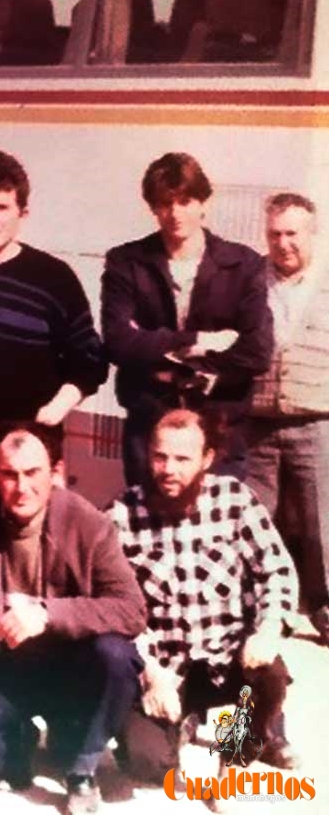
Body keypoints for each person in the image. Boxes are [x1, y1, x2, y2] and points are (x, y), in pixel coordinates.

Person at [0, 422, 146, 814]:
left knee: (118, 656)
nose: (21, 487)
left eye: (33, 473)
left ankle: (82, 768)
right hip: (2, 669)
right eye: (9, 474)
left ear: (55, 471)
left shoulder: (88, 524)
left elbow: (131, 608)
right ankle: (15, 743)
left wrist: (48, 614)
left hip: (70, 673)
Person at [111, 410, 300, 796]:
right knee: (146, 762)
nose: (168, 469)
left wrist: (267, 629)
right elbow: (114, 604)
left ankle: (239, 751)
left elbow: (277, 570)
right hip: (168, 668)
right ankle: (182, 724)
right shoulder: (123, 514)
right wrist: (150, 672)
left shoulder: (235, 501)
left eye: (182, 459)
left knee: (270, 676)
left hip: (230, 657)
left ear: (207, 458)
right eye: (160, 456)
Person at [0, 150, 108, 509]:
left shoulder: (54, 278)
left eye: (2, 207)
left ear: (22, 213)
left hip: (30, 453)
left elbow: (90, 359)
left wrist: (56, 409)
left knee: (35, 555)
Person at [101, 153, 272, 486]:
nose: (175, 213)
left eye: (185, 200)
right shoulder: (127, 262)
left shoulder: (244, 264)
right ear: (153, 207)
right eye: (165, 203)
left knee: (217, 530)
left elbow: (257, 351)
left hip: (220, 425)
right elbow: (118, 343)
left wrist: (185, 367)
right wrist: (198, 342)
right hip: (150, 423)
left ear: (203, 202)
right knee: (148, 529)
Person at [245, 193, 329, 645]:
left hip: (317, 420)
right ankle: (251, 609)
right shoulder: (251, 280)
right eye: (275, 234)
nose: (283, 244)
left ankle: (326, 613)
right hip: (257, 424)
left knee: (323, 526)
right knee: (253, 519)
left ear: (312, 234)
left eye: (293, 233)